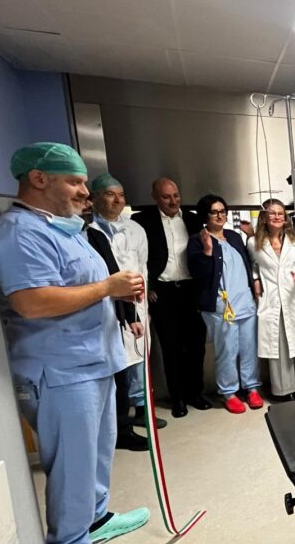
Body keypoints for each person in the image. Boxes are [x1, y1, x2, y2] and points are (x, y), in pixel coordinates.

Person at [0, 142, 150, 544]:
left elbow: (86, 286)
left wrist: (118, 292)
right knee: (72, 465)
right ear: (39, 179)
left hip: (93, 360)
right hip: (60, 370)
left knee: (97, 452)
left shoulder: (67, 229)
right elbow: (32, 301)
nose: (85, 191)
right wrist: (107, 287)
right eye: (75, 182)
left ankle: (94, 519)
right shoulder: (19, 233)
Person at [88, 173, 167, 431]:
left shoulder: (135, 229)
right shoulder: (90, 231)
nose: (117, 200)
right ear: (95, 198)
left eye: (121, 195)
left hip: (137, 304)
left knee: (141, 357)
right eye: (110, 194)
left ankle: (144, 410)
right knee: (118, 364)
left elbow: (143, 265)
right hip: (107, 306)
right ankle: (121, 422)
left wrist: (144, 296)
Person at [132, 178, 210, 418]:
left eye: (176, 195)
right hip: (163, 292)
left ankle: (195, 393)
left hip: (190, 289)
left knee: (196, 345)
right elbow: (136, 256)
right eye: (166, 197)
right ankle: (178, 399)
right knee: (171, 347)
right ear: (155, 197)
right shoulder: (142, 221)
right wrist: (149, 285)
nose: (173, 201)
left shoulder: (193, 219)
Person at [187, 195, 262, 413]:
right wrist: (207, 251)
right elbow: (199, 275)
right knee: (227, 350)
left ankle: (252, 387)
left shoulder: (234, 236)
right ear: (205, 215)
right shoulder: (197, 240)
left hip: (245, 301)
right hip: (222, 306)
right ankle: (229, 392)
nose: (220, 216)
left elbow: (248, 263)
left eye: (222, 211)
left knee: (249, 348)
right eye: (214, 212)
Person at [248, 199, 295, 401]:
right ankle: (284, 391)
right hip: (271, 300)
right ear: (264, 217)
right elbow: (253, 265)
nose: (277, 217)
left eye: (281, 213)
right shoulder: (253, 243)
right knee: (279, 347)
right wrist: (256, 279)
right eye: (273, 213)